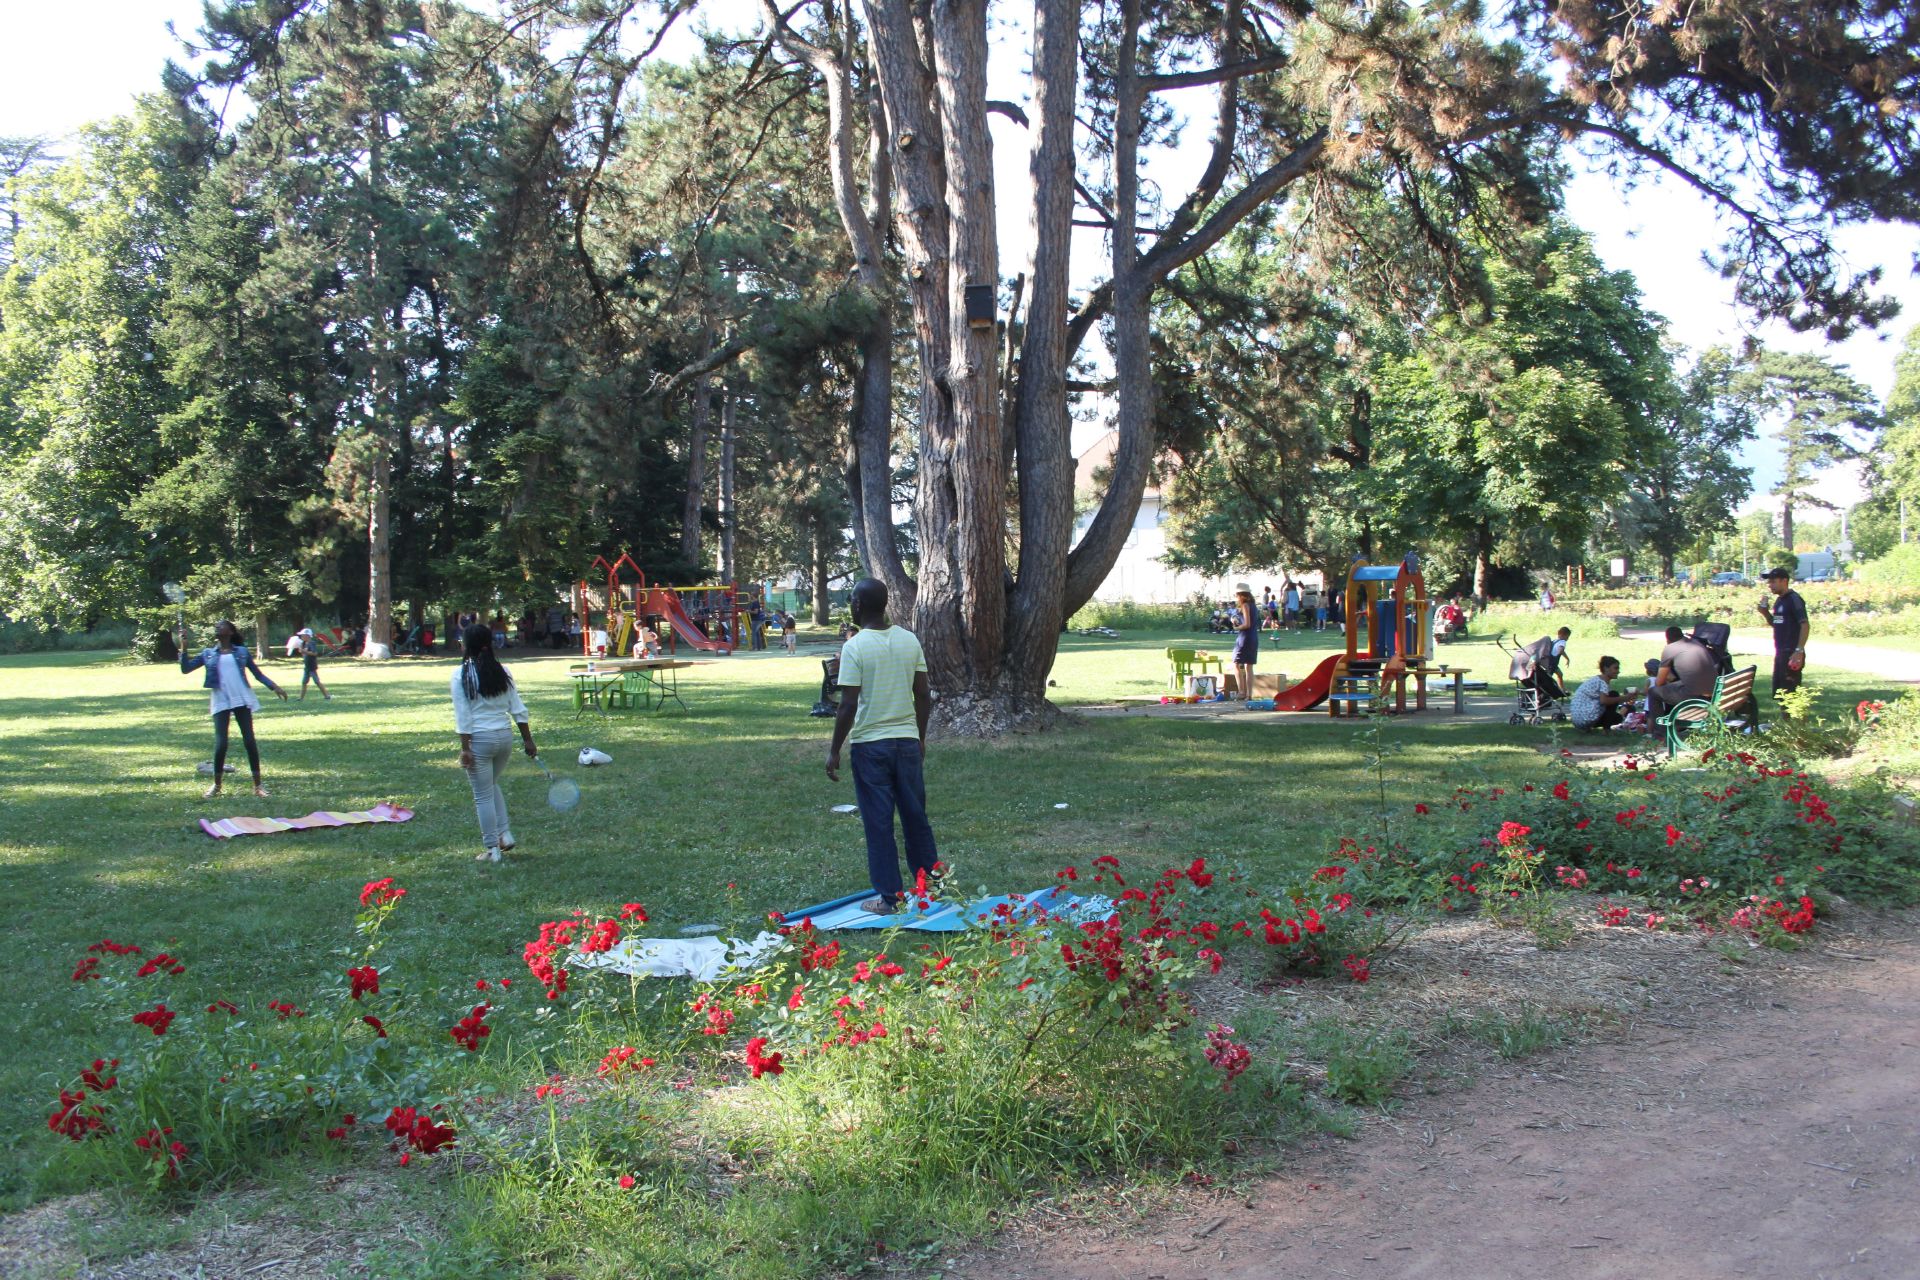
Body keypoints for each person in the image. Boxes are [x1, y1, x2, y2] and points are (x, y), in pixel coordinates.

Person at [825, 579, 937, 913]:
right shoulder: (909, 640)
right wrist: (920, 737)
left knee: (879, 823)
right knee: (916, 817)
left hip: (871, 748)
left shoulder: (855, 647)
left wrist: (834, 750)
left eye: (850, 601)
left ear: (857, 605)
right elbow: (923, 694)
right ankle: (933, 886)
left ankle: (891, 898)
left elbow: (847, 705)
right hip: (905, 744)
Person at [451, 623, 537, 864]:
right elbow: (518, 709)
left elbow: (463, 716)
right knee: (491, 784)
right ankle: (504, 834)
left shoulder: (461, 674)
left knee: (482, 795)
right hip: (504, 737)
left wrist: (465, 748)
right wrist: (528, 740)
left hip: (480, 739)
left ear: (466, 645)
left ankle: (492, 848)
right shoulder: (503, 671)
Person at [181, 619, 287, 799]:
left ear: (230, 631)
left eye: (221, 625)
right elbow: (186, 669)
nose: (217, 627)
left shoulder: (242, 652)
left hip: (241, 697)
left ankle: (258, 786)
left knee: (249, 741)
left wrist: (274, 686)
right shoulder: (208, 653)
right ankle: (216, 785)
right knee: (221, 744)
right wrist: (183, 647)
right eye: (216, 626)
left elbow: (258, 674)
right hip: (221, 699)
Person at [1757, 568, 1809, 705]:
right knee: (1782, 696)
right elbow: (1777, 623)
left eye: (1773, 582)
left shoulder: (1794, 600)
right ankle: (1787, 726)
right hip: (1780, 653)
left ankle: (1797, 725)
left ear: (1784, 581)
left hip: (1792, 654)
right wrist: (1765, 613)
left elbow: (1804, 625)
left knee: (1792, 697)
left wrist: (1799, 651)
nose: (1770, 585)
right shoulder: (1779, 600)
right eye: (1769, 582)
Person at [1649, 627, 1718, 723]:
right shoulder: (1695, 643)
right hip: (1713, 692)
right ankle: (1677, 723)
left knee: (1653, 692)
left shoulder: (1670, 649)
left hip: (1697, 696)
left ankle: (1660, 730)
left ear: (1667, 640)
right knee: (1674, 686)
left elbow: (1659, 683)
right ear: (1681, 635)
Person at [1570, 656, 1634, 731]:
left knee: (1616, 713)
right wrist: (1625, 698)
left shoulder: (1596, 679)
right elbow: (1604, 701)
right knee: (1614, 696)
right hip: (1586, 718)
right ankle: (1606, 730)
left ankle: (1589, 728)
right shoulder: (1603, 682)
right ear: (1606, 668)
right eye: (1615, 668)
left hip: (1578, 720)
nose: (1618, 671)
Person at [1231, 583, 1259, 700]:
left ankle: (1242, 692)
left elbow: (1247, 624)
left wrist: (1236, 627)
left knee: (1236, 664)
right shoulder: (1253, 606)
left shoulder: (1245, 605)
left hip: (1244, 637)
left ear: (1240, 595)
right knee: (1249, 666)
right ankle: (1249, 694)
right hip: (1254, 637)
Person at [296, 628, 330, 702]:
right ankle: (301, 698)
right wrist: (301, 651)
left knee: (317, 682)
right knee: (304, 682)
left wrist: (305, 651)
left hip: (311, 666)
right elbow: (303, 653)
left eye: (303, 635)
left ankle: (327, 696)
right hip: (306, 666)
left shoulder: (312, 643)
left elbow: (314, 653)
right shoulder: (303, 643)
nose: (301, 636)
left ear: (307, 636)